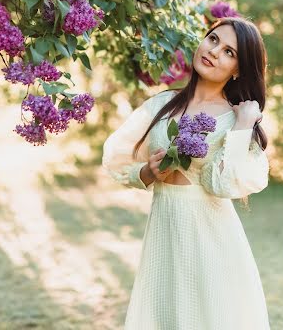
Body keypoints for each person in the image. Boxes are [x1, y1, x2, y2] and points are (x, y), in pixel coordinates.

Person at [102, 16, 271, 329]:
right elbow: (115, 156)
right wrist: (147, 173)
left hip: (213, 241)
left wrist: (245, 125)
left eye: (230, 53)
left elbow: (224, 184)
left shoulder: (237, 119)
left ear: (238, 69)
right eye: (213, 39)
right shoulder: (161, 106)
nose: (215, 51)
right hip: (164, 234)